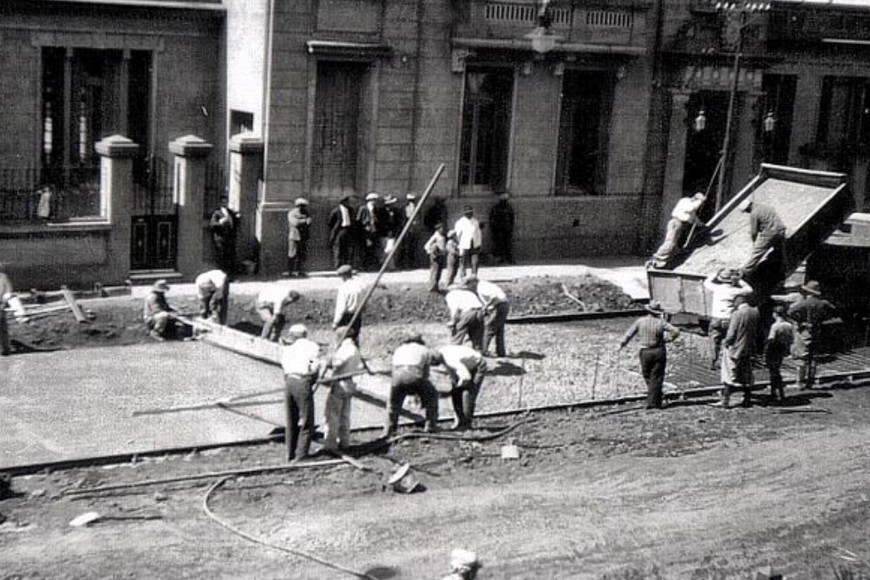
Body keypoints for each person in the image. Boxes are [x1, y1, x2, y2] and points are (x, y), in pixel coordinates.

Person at [618, 300, 681, 409]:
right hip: (659, 351)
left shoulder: (640, 321)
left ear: (648, 310)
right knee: (657, 376)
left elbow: (629, 335)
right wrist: (668, 339)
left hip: (645, 351)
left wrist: (621, 345)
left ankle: (653, 401)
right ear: (657, 312)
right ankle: (656, 399)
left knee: (646, 374)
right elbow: (676, 331)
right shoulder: (660, 322)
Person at [279, 324, 324, 462]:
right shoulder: (312, 347)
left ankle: (289, 453)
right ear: (305, 334)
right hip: (302, 381)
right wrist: (313, 378)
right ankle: (302, 455)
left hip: (289, 381)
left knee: (291, 419)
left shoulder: (287, 349)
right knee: (306, 420)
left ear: (293, 335)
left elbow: (284, 367)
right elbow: (315, 365)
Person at [385, 333, 442, 437]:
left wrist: (396, 386)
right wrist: (420, 393)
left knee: (393, 404)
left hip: (397, 376)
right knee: (433, 395)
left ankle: (390, 430)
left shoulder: (399, 349)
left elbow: (393, 370)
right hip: (414, 374)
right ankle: (430, 426)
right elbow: (425, 373)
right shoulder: (424, 349)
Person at [787, 280, 836, 389]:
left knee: (802, 357)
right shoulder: (823, 303)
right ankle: (810, 382)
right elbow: (833, 310)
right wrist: (823, 319)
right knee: (813, 358)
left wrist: (800, 321)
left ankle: (799, 382)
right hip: (817, 330)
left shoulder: (804, 303)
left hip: (804, 331)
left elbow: (790, 312)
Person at [322, 326, 364, 452]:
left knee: (332, 415)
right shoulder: (355, 349)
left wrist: (328, 359)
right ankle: (344, 442)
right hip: (349, 383)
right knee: (345, 415)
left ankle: (330, 444)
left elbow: (336, 363)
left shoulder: (346, 349)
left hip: (340, 383)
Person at [703, 268, 753, 369]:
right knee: (731, 340)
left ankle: (712, 362)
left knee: (714, 340)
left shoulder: (717, 288)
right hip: (730, 319)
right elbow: (749, 290)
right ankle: (730, 362)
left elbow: (706, 282)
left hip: (716, 318)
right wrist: (738, 280)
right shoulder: (735, 291)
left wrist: (716, 274)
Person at [717, 295, 760, 408]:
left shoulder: (737, 314)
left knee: (728, 373)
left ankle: (725, 401)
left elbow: (731, 334)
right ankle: (747, 398)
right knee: (747, 373)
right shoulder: (755, 312)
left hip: (736, 348)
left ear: (737, 303)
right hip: (749, 347)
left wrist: (725, 342)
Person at [648, 192, 706, 268]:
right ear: (695, 199)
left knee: (677, 247)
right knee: (670, 243)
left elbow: (695, 220)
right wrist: (700, 201)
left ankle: (665, 263)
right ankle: (655, 259)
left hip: (683, 226)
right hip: (676, 222)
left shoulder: (693, 211)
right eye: (700, 203)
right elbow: (689, 208)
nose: (700, 205)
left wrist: (703, 225)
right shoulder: (685, 201)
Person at [438, 344, 487, 430]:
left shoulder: (450, 360)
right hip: (466, 365)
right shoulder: (440, 353)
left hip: (478, 365)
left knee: (467, 394)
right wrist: (454, 388)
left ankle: (466, 425)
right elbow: (451, 372)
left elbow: (465, 377)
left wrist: (457, 387)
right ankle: (459, 421)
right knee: (455, 394)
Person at [465, 275, 510, 358]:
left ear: (473, 282)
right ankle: (501, 352)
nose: (467, 287)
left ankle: (483, 351)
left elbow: (494, 297)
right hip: (503, 305)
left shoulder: (482, 287)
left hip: (499, 306)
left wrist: (486, 306)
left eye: (468, 284)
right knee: (499, 330)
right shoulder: (482, 285)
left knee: (488, 328)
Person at [740, 198, 787, 276]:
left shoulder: (754, 213)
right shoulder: (765, 207)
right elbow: (768, 219)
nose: (747, 213)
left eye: (746, 211)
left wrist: (754, 241)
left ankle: (745, 271)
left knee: (758, 251)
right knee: (781, 252)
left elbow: (754, 232)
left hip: (770, 233)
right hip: (781, 229)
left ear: (748, 207)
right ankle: (783, 269)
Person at [765, 305, 795, 403]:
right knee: (776, 370)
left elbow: (771, 339)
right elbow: (791, 339)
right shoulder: (789, 325)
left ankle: (775, 392)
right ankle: (779, 392)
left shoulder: (775, 326)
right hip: (783, 348)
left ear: (775, 314)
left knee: (773, 372)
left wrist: (766, 348)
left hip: (774, 349)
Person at [444, 283, 485, 351]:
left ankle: (453, 352)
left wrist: (453, 321)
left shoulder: (451, 295)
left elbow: (455, 309)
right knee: (477, 337)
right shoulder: (469, 293)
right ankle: (477, 355)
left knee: (457, 334)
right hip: (479, 312)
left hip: (468, 313)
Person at [333, 264, 368, 339]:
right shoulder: (361, 286)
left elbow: (341, 307)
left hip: (346, 317)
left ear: (344, 276)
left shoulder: (343, 288)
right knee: (355, 337)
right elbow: (364, 301)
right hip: (357, 316)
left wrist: (335, 322)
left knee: (343, 338)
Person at [208, 195, 239, 274]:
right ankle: (221, 274)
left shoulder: (230, 212)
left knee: (230, 257)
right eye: (223, 202)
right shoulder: (217, 213)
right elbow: (212, 224)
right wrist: (220, 222)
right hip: (221, 238)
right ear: (220, 203)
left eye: (225, 202)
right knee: (221, 257)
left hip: (230, 238)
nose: (224, 203)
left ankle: (230, 275)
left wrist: (237, 217)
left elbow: (235, 222)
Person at [327, 196, 357, 269]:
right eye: (346, 202)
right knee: (339, 249)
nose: (348, 203)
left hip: (349, 230)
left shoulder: (351, 210)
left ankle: (348, 266)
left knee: (349, 249)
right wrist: (336, 229)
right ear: (342, 202)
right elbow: (330, 222)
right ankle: (338, 266)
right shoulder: (336, 211)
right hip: (340, 231)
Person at [453, 205, 482, 280]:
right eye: (468, 213)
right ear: (464, 213)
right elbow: (457, 234)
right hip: (464, 244)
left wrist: (479, 244)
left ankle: (474, 275)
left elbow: (478, 233)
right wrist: (459, 245)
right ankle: (463, 276)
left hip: (474, 243)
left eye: (471, 212)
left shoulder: (475, 221)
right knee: (463, 261)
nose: (469, 214)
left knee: (475, 261)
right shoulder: (460, 222)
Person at [357, 192, 384, 270]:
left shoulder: (376, 209)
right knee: (365, 250)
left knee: (373, 249)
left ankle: (372, 265)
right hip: (365, 232)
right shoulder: (363, 208)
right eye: (373, 200)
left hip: (374, 231)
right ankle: (363, 266)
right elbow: (359, 220)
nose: (375, 202)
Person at [287, 197, 312, 278]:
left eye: (304, 206)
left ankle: (300, 271)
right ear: (297, 206)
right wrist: (304, 221)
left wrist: (304, 220)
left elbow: (309, 222)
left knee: (302, 255)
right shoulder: (291, 213)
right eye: (301, 206)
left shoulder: (306, 213)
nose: (303, 208)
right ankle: (291, 271)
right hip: (294, 237)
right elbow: (295, 223)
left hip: (303, 237)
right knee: (292, 255)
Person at [489, 193, 516, 265]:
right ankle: (499, 259)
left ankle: (508, 258)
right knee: (499, 245)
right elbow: (492, 219)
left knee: (507, 244)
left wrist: (510, 227)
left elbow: (512, 218)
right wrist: (494, 228)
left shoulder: (508, 208)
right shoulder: (496, 208)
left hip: (506, 229)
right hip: (498, 229)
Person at [399, 192, 423, 269]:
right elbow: (404, 219)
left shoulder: (417, 208)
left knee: (414, 247)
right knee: (407, 248)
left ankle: (413, 263)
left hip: (415, 230)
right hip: (408, 231)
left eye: (413, 200)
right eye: (411, 200)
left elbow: (419, 219)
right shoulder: (405, 208)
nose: (412, 202)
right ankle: (406, 264)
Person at [424, 222, 449, 293]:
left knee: (439, 272)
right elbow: (426, 246)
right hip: (436, 257)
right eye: (441, 228)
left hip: (441, 256)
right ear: (438, 229)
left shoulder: (442, 236)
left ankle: (436, 286)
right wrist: (432, 253)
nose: (443, 229)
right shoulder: (435, 236)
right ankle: (431, 287)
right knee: (434, 271)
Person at [0, 267, 13, 356]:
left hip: (0, 303)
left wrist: (4, 301)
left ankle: (5, 348)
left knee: (2, 326)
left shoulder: (3, 277)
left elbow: (8, 290)